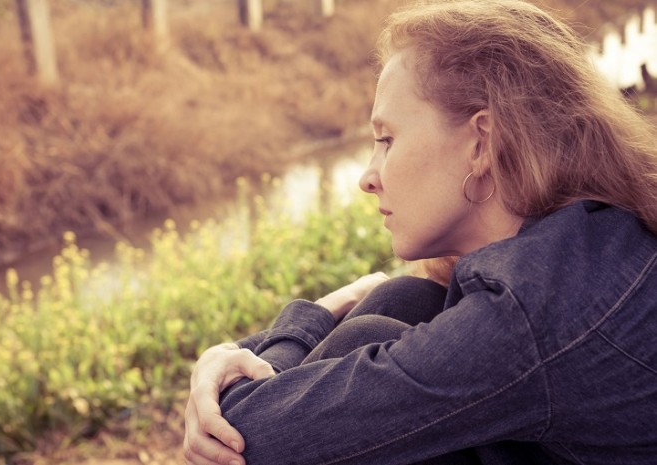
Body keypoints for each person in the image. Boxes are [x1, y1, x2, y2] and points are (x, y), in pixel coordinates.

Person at [183, 0, 657, 463]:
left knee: (358, 335)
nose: (367, 177)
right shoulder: (591, 238)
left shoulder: (528, 314)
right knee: (401, 302)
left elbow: (248, 434)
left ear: (481, 143)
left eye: (387, 139)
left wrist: (297, 326)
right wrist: (237, 359)